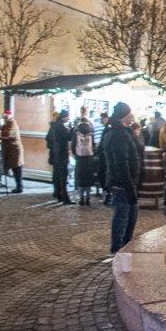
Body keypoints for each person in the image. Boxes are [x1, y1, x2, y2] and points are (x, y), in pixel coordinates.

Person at [103, 102, 142, 254]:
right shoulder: (118, 135)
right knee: (122, 217)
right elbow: (121, 164)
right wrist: (130, 187)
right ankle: (117, 249)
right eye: (129, 114)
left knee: (131, 216)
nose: (132, 116)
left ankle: (125, 246)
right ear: (123, 116)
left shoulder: (123, 132)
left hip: (127, 183)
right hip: (123, 184)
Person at [71, 115, 99, 205]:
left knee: (81, 179)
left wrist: (76, 154)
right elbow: (94, 146)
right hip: (89, 159)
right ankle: (88, 198)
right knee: (88, 179)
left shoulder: (76, 132)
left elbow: (73, 146)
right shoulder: (91, 132)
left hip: (80, 159)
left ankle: (81, 198)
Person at [46, 109, 73, 204]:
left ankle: (57, 193)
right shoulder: (61, 127)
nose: (68, 118)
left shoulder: (53, 125)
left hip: (54, 154)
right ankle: (64, 197)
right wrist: (71, 130)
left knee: (56, 175)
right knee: (63, 176)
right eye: (67, 117)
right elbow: (67, 138)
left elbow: (48, 139)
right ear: (64, 117)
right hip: (61, 154)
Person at [0, 111, 24, 193]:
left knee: (17, 168)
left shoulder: (12, 122)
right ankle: (18, 186)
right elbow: (2, 131)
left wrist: (0, 135)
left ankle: (19, 187)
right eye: (4, 115)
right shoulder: (7, 123)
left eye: (6, 115)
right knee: (15, 168)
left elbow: (9, 134)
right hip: (11, 150)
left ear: (10, 115)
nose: (5, 116)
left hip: (15, 150)